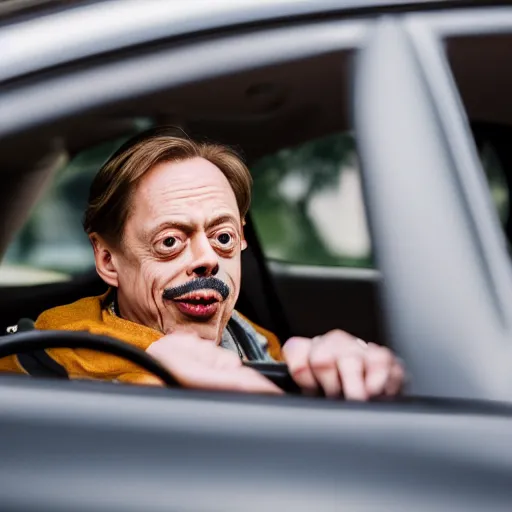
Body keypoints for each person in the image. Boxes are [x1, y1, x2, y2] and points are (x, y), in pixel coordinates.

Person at [1, 128, 405, 399]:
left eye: (223, 237)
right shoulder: (51, 351)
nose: (208, 260)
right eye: (171, 242)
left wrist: (345, 374)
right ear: (108, 260)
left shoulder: (255, 340)